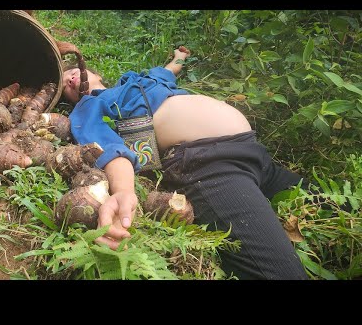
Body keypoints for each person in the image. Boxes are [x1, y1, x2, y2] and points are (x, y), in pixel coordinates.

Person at [62, 46, 308, 280]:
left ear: (93, 72)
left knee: (323, 200)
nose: (69, 81)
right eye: (65, 86)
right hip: (209, 164)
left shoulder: (141, 79)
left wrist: (179, 56)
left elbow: (169, 70)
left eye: (71, 73)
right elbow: (110, 150)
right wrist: (124, 191)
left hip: (254, 153)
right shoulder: (87, 107)